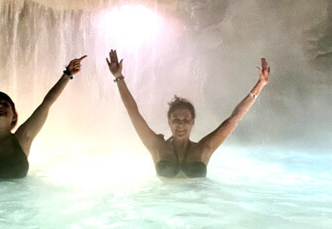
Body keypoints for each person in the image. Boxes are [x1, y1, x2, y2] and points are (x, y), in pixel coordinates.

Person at [105, 49, 270, 178]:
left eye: (185, 119)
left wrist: (260, 85)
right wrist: (119, 77)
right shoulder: (156, 146)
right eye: (176, 119)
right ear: (169, 122)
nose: (181, 124)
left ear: (193, 122)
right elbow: (133, 112)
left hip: (197, 211)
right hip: (162, 212)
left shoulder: (205, 148)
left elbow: (234, 118)